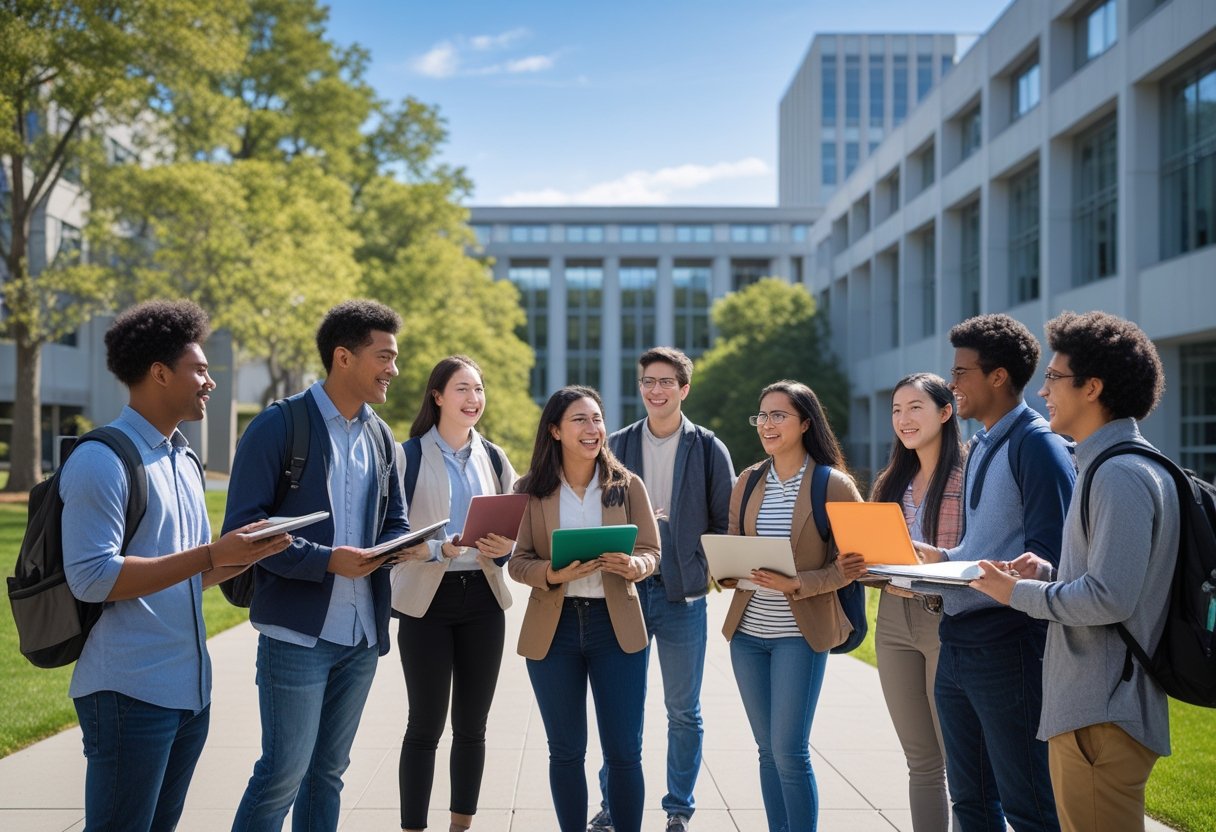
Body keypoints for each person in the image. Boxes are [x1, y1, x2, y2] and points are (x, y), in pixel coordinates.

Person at [60, 300, 291, 832]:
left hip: (188, 693)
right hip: (128, 692)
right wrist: (212, 553)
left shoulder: (183, 459)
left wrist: (243, 555)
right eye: (200, 369)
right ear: (160, 373)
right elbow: (92, 578)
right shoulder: (101, 459)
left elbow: (184, 575)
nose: (210, 381)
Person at [970, 311, 1176, 832]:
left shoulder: (1119, 474)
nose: (1043, 391)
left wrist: (1017, 592)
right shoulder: (1116, 464)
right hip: (1098, 708)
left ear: (1093, 388)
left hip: (1100, 714)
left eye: (1054, 378)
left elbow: (1110, 598)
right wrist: (1050, 572)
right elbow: (1113, 578)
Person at [226, 300, 412, 832]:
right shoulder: (278, 426)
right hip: (296, 638)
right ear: (343, 358)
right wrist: (329, 562)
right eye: (384, 357)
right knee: (281, 776)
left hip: (360, 637)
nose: (394, 370)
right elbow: (244, 533)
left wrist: (399, 546)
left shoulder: (380, 435)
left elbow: (395, 520)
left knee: (327, 775)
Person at [916, 313, 1075, 832]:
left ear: (998, 376)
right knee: (970, 803)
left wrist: (997, 571)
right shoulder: (982, 443)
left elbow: (1051, 558)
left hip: (1011, 648)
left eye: (961, 372)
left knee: (1029, 807)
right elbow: (981, 547)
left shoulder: (1038, 444)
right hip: (958, 642)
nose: (952, 383)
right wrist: (935, 560)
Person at [587, 347, 735, 832]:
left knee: (683, 711)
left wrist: (698, 565)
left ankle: (678, 809)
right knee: (620, 710)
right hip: (624, 593)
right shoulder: (617, 444)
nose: (656, 390)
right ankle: (613, 806)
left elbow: (725, 522)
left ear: (683, 389)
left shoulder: (708, 447)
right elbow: (597, 509)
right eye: (648, 381)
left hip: (683, 599)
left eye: (666, 381)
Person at [507, 386, 661, 832]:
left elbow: (652, 551)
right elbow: (517, 562)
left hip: (616, 629)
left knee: (624, 752)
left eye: (597, 419)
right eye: (580, 420)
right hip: (553, 632)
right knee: (566, 751)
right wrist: (551, 573)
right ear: (555, 431)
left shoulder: (627, 486)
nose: (593, 428)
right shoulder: (529, 491)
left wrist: (634, 565)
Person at [721, 380, 868, 832]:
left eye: (778, 415)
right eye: (762, 416)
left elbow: (856, 564)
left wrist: (798, 583)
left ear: (805, 423)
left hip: (799, 636)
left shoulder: (832, 484)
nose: (767, 424)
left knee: (789, 750)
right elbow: (732, 545)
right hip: (747, 635)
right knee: (767, 751)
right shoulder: (747, 481)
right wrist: (725, 568)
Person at [390, 356, 518, 832]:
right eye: (462, 389)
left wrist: (505, 548)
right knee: (424, 724)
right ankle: (413, 827)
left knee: (472, 726)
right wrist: (437, 548)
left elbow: (516, 529)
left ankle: (461, 826)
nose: (473, 399)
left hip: (484, 599)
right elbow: (390, 537)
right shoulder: (407, 456)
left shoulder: (495, 457)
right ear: (438, 396)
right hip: (427, 601)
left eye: (478, 389)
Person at [869, 373, 964, 832]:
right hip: (893, 618)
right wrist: (859, 563)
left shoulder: (969, 476)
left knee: (960, 757)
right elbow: (876, 561)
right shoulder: (891, 481)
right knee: (921, 760)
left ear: (945, 412)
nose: (903, 419)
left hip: (947, 617)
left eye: (914, 408)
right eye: (896, 410)